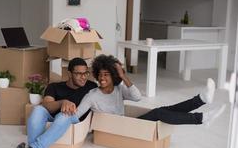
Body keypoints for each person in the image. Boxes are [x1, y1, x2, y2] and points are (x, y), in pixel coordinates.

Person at [60, 54, 226, 128]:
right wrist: (57, 121)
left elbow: (137, 97)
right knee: (160, 113)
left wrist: (124, 77)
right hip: (116, 129)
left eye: (107, 75)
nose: (102, 78)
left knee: (162, 111)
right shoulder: (92, 95)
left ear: (114, 76)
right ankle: (201, 119)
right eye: (100, 75)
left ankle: (201, 100)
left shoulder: (119, 88)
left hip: (125, 124)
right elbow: (76, 115)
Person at [16, 58, 97, 148]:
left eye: (85, 73)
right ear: (69, 74)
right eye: (79, 74)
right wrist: (62, 102)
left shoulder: (91, 86)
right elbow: (46, 105)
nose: (83, 77)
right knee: (38, 109)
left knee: (66, 114)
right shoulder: (54, 87)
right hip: (52, 117)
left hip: (71, 119)